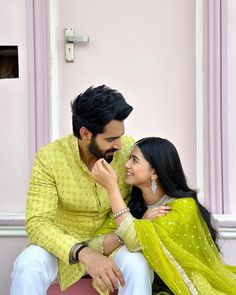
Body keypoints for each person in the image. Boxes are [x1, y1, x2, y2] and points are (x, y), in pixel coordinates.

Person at [10, 85, 154, 295]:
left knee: (137, 266)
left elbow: (153, 185)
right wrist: (84, 253)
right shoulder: (50, 158)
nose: (120, 145)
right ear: (85, 133)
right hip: (63, 248)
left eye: (120, 136)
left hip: (113, 241)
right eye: (111, 139)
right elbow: (37, 223)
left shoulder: (128, 152)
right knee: (28, 265)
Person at [91, 137, 236, 294]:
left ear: (154, 172)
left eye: (134, 160)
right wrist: (141, 222)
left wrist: (112, 188)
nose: (126, 165)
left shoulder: (183, 207)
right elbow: (96, 246)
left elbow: (133, 241)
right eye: (128, 159)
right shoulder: (133, 208)